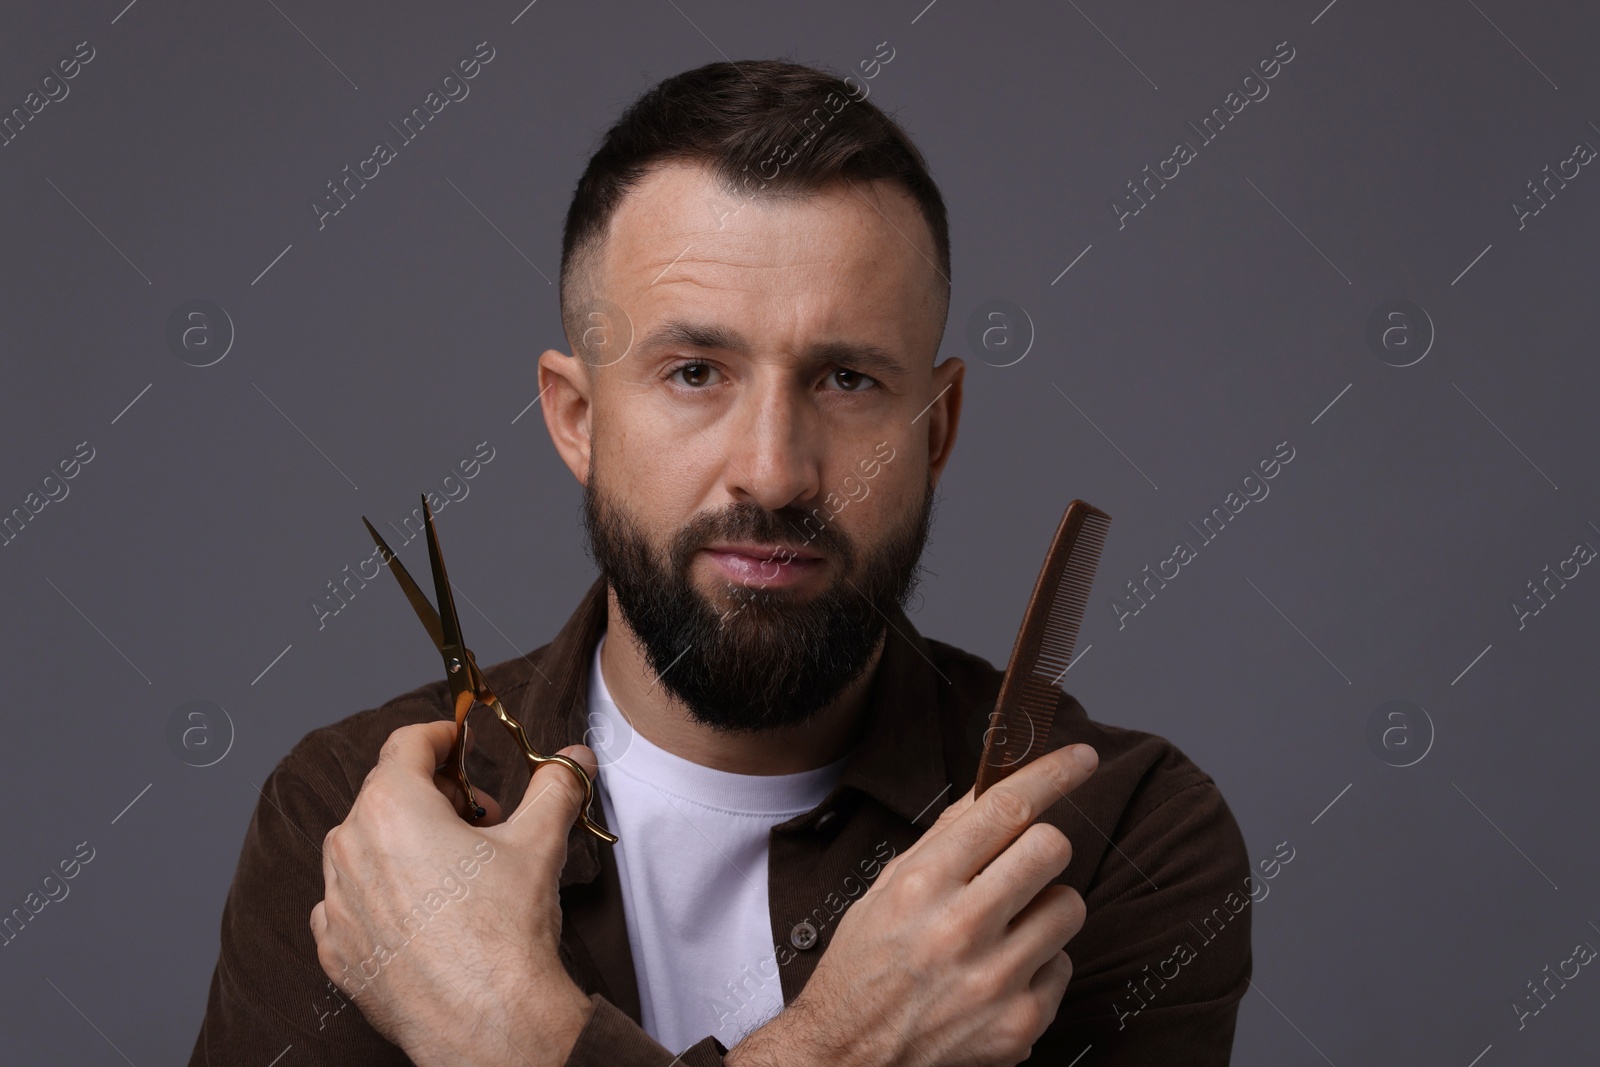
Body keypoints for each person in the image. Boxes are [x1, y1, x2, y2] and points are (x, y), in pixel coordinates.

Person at [187, 59, 1251, 1066]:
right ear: (576, 416)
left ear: (935, 428)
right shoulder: (367, 827)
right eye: (695, 370)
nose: (774, 471)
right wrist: (840, 1049)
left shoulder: (1110, 836)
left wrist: (507, 1030)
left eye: (844, 379)